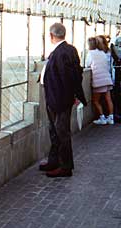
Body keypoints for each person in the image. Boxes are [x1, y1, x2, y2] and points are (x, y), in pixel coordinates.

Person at [38, 23, 87, 178]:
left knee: (61, 133)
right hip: (55, 98)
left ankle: (65, 167)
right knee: (54, 131)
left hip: (59, 100)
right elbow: (75, 74)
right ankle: (54, 161)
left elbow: (71, 77)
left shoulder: (62, 52)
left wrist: (73, 96)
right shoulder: (67, 50)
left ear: (51, 36)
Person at [86, 37, 114, 125]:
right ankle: (111, 117)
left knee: (95, 100)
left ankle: (102, 118)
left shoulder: (90, 53)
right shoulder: (103, 53)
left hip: (98, 80)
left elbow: (87, 64)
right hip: (107, 78)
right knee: (108, 99)